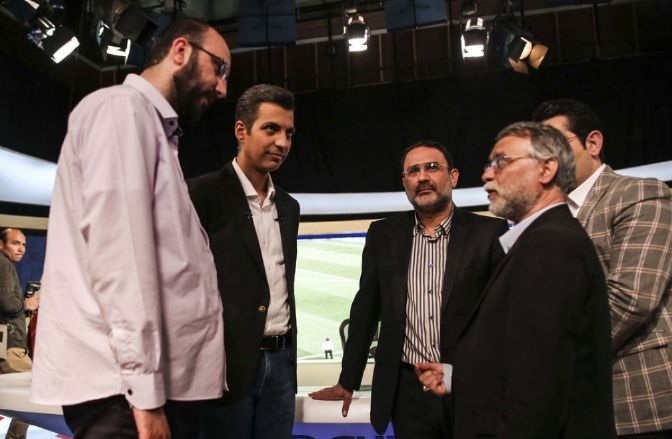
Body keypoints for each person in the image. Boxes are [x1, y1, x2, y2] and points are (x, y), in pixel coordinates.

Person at [30, 18, 230, 439]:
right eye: (220, 68)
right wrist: (145, 398)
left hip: (137, 392)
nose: (222, 88)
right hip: (125, 396)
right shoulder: (122, 110)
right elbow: (121, 261)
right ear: (181, 51)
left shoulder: (149, 125)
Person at [417, 122, 616, 439]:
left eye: (501, 162)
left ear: (546, 169)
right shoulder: (539, 242)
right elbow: (519, 357)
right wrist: (459, 375)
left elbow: (537, 389)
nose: (486, 175)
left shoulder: (549, 246)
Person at [532, 99, 672, 438]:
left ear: (593, 143)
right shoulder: (545, 218)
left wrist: (551, 358)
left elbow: (631, 299)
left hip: (639, 398)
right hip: (571, 408)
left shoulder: (640, 194)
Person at [309, 141, 507, 438]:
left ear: (453, 177)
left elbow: (503, 318)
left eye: (432, 167)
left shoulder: (489, 233)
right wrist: (347, 380)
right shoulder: (383, 235)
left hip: (471, 387)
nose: (422, 177)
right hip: (408, 394)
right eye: (413, 171)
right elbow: (365, 311)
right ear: (405, 184)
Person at [187, 83, 299, 439]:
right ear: (241, 130)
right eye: (271, 129)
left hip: (281, 366)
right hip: (223, 369)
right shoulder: (200, 194)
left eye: (288, 133)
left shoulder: (290, 206)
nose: (281, 142)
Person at [0, 228, 39, 439]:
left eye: (23, 244)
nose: (21, 248)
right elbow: (8, 304)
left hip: (5, 342)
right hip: (10, 345)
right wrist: (27, 303)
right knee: (31, 389)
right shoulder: (4, 265)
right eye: (15, 243)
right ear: (1, 245)